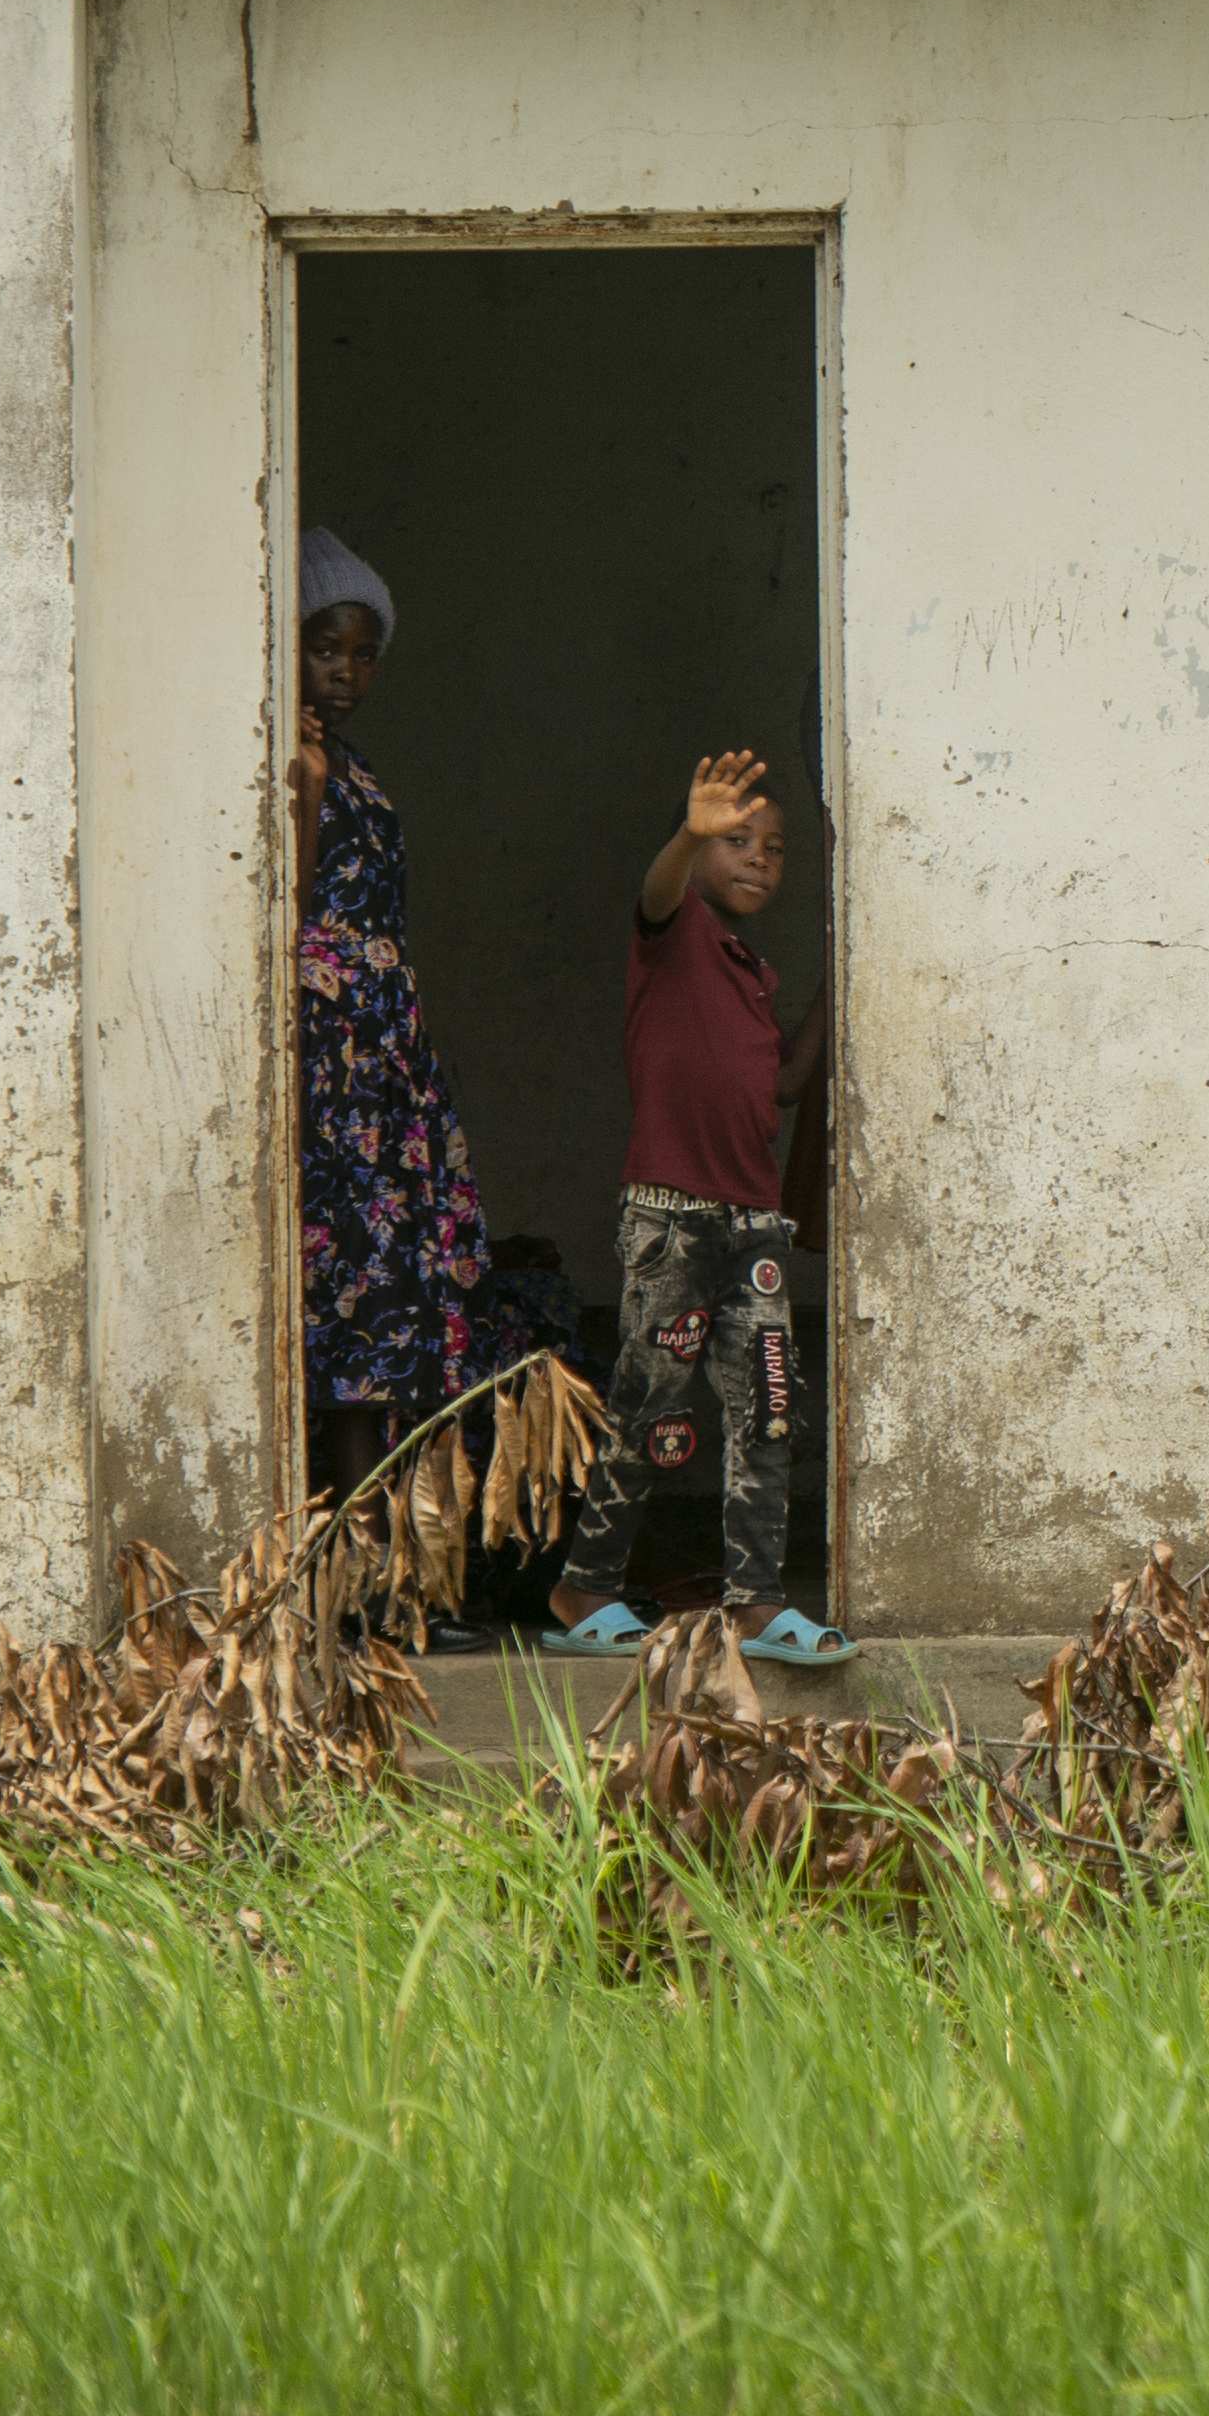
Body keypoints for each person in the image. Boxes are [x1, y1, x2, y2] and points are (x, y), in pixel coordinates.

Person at [541, 749, 846, 1667]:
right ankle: (585, 1587)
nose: (757, 857)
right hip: (672, 1221)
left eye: (776, 847)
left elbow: (787, 1084)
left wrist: (840, 978)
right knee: (652, 1409)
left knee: (769, 1409)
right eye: (738, 841)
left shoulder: (753, 969)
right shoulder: (673, 936)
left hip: (751, 1225)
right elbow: (657, 889)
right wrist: (689, 833)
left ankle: (757, 1605)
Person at [288, 529, 495, 1493]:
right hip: (331, 1071)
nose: (346, 672)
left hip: (383, 1065)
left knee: (391, 1304)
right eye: (325, 649)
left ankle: (386, 1565)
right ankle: (353, 1556)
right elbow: (283, 910)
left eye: (363, 654)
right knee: (346, 1311)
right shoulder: (296, 764)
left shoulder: (350, 761)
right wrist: (310, 790)